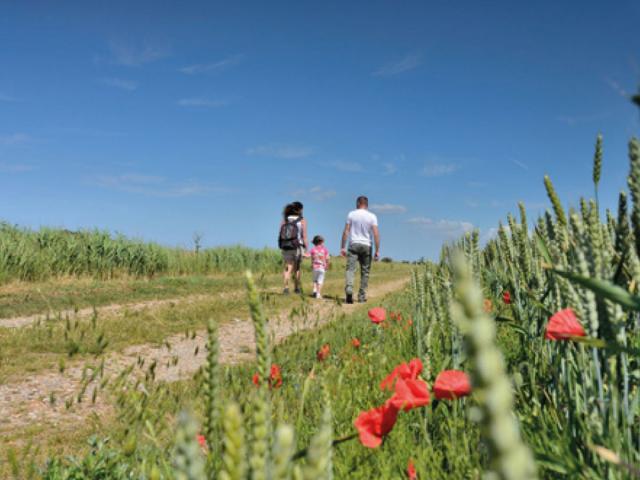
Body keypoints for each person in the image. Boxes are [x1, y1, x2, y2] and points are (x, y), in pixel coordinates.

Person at [340, 196, 380, 304]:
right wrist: (377, 250)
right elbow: (376, 234)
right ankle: (361, 296)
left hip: (354, 244)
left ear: (358, 203)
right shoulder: (372, 216)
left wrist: (343, 247)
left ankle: (349, 289)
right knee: (365, 271)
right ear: (367, 204)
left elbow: (346, 231)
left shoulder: (351, 214)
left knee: (350, 269)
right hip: (367, 245)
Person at [279, 203, 308, 294]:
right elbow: (304, 236)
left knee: (288, 267)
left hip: (286, 246)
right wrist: (306, 248)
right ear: (299, 210)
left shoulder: (284, 221)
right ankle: (296, 288)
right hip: (297, 246)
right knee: (297, 268)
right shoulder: (302, 221)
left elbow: (280, 234)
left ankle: (286, 288)